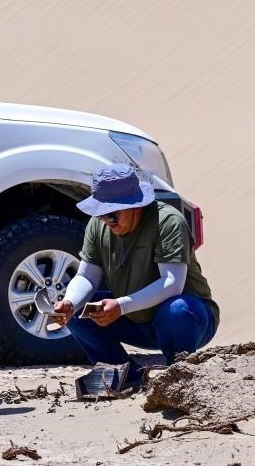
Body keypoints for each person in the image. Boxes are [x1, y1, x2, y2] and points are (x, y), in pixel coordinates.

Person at [51, 164, 219, 391]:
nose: (107, 220)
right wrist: (70, 302)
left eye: (112, 213)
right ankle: (122, 374)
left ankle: (178, 377)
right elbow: (87, 276)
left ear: (135, 205)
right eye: (101, 213)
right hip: (134, 320)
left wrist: (120, 306)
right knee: (78, 311)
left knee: (176, 310)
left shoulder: (168, 221)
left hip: (189, 320)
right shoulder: (98, 226)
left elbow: (172, 283)